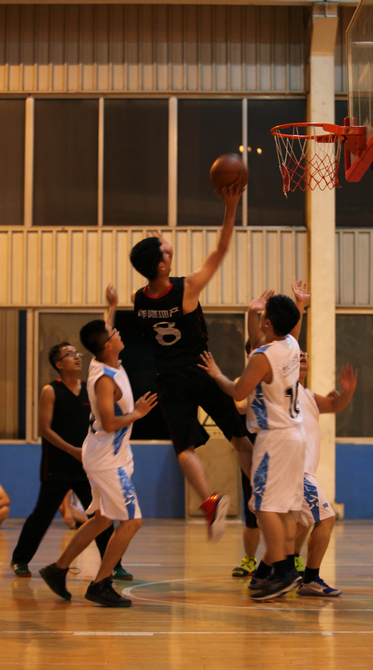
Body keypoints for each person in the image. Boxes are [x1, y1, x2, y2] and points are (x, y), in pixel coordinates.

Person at [130, 185, 253, 542]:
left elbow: (154, 270)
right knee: (239, 438)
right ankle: (264, 491)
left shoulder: (139, 299)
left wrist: (154, 244)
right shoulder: (187, 288)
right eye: (166, 251)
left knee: (184, 450)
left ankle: (209, 501)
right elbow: (221, 249)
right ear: (162, 265)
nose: (170, 249)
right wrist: (230, 207)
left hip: (168, 377)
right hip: (201, 368)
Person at [11, 288, 132, 581]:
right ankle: (20, 559)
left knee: (100, 515)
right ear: (58, 363)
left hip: (87, 462)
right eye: (69, 355)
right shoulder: (50, 391)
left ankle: (113, 565)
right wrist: (71, 450)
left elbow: (102, 342)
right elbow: (45, 430)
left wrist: (112, 307)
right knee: (43, 514)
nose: (76, 357)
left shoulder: (91, 382)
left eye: (77, 353)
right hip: (59, 463)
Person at [40, 311, 157, 607]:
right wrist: (137, 413)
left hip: (110, 455)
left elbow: (101, 333)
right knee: (132, 522)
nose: (118, 333)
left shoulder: (103, 360)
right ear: (107, 345)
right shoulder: (104, 379)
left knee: (103, 520)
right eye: (113, 333)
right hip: (107, 460)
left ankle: (57, 569)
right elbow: (108, 423)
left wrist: (111, 306)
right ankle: (100, 584)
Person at [199, 293, 307, 601]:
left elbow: (238, 391)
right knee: (283, 509)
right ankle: (270, 572)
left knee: (262, 506)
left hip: (274, 439)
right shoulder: (291, 344)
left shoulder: (263, 357)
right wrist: (252, 312)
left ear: (268, 322)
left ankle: (283, 572)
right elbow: (262, 341)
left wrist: (216, 373)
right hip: (295, 436)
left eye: (262, 316)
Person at [294, 350, 357, 597]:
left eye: (305, 354)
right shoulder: (283, 390)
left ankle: (274, 571)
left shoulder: (308, 395)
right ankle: (309, 579)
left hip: (304, 470)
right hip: (298, 470)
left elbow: (334, 405)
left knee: (300, 524)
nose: (302, 356)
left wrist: (347, 393)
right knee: (326, 518)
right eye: (297, 353)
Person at [231, 341, 260, 578]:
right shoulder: (243, 381)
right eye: (252, 351)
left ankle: (291, 559)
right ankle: (250, 560)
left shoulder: (280, 380)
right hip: (252, 455)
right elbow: (240, 406)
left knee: (286, 512)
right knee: (252, 514)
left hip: (280, 452)